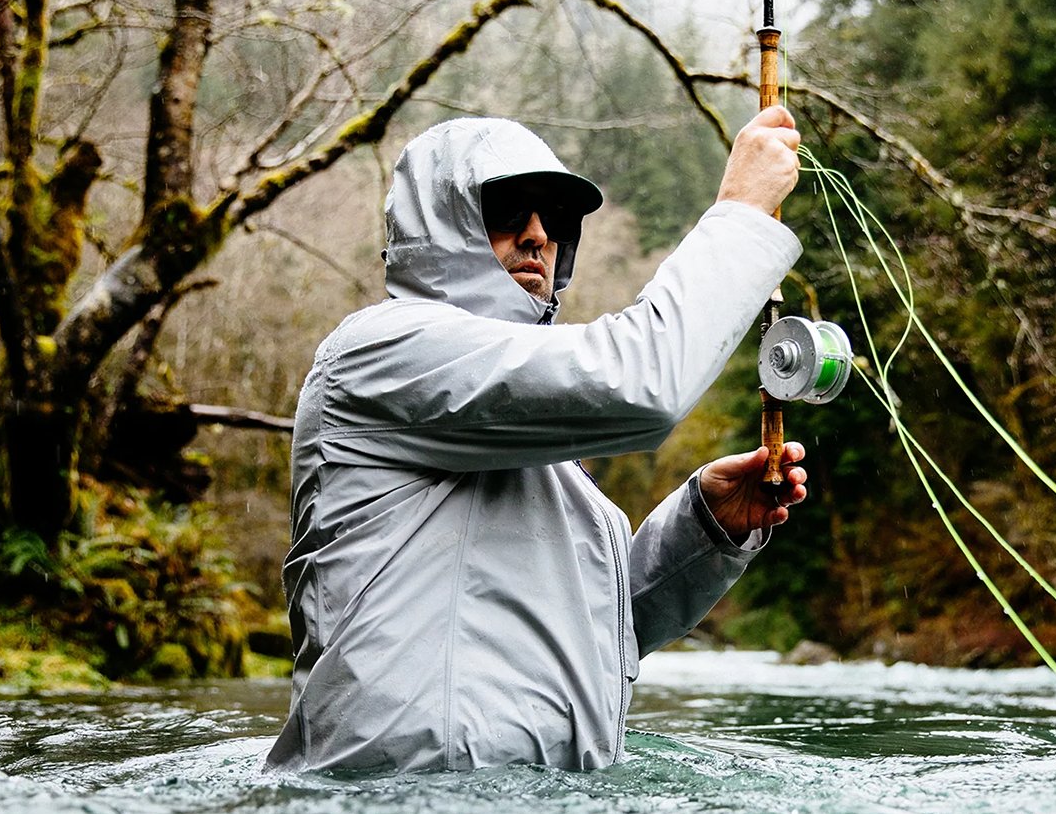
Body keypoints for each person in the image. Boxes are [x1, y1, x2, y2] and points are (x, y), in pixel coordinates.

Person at [266, 107, 807, 774]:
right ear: (438, 224)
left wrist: (704, 528)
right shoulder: (383, 350)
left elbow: (599, 632)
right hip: (395, 796)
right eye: (505, 211)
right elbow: (642, 381)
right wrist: (742, 211)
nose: (537, 234)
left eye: (553, 217)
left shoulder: (541, 443)